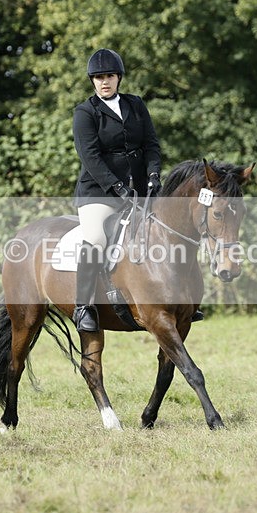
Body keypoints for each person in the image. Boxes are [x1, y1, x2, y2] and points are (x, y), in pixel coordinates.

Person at [71, 48, 163, 332]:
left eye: (109, 76)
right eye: (99, 77)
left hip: (139, 191)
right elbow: (90, 157)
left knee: (167, 230)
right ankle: (83, 307)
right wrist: (117, 187)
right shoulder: (85, 112)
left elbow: (151, 143)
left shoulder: (135, 105)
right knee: (96, 238)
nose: (105, 81)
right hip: (99, 193)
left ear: (118, 78)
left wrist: (153, 174)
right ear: (93, 81)